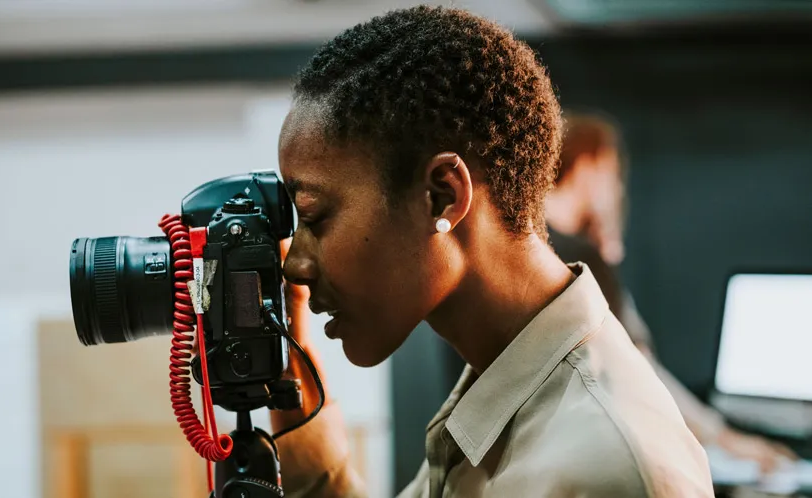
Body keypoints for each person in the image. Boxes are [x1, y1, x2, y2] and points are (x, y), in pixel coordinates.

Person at [272, 7, 713, 497]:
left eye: (313, 217)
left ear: (442, 196)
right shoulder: (506, 387)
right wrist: (290, 387)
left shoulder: (601, 469)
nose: (295, 263)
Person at [545, 112, 799, 474]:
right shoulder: (580, 260)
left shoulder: (532, 248)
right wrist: (728, 440)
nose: (619, 191)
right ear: (589, 166)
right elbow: (637, 370)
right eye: (614, 176)